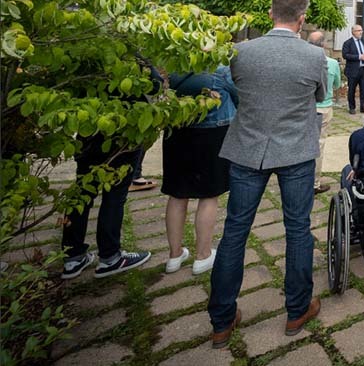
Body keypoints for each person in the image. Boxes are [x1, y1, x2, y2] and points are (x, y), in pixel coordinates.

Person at [208, 0, 327, 348]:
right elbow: (320, 95)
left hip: (248, 147)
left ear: (271, 13)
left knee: (235, 231)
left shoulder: (241, 53)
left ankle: (222, 320)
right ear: (302, 19)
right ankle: (296, 309)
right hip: (295, 150)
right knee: (297, 228)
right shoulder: (313, 55)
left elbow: (235, 89)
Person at [162, 65, 237, 275]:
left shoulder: (174, 66)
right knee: (208, 195)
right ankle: (202, 255)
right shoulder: (220, 70)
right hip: (211, 133)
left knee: (177, 194)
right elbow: (238, 95)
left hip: (177, 132)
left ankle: (174, 255)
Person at [61, 139, 152, 279]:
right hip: (123, 137)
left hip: (88, 134)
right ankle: (110, 257)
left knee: (82, 192)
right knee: (115, 195)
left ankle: (72, 257)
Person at [308, 31, 342, 194]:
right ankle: (314, 182)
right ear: (324, 44)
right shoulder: (331, 63)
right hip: (323, 107)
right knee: (318, 145)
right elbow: (336, 85)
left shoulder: (302, 61)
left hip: (304, 106)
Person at [342, 24, 364, 115]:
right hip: (352, 70)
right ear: (353, 32)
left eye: (361, 30)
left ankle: (363, 107)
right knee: (352, 90)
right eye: (358, 30)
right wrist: (359, 57)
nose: (361, 32)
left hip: (363, 69)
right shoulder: (348, 43)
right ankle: (352, 107)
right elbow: (345, 55)